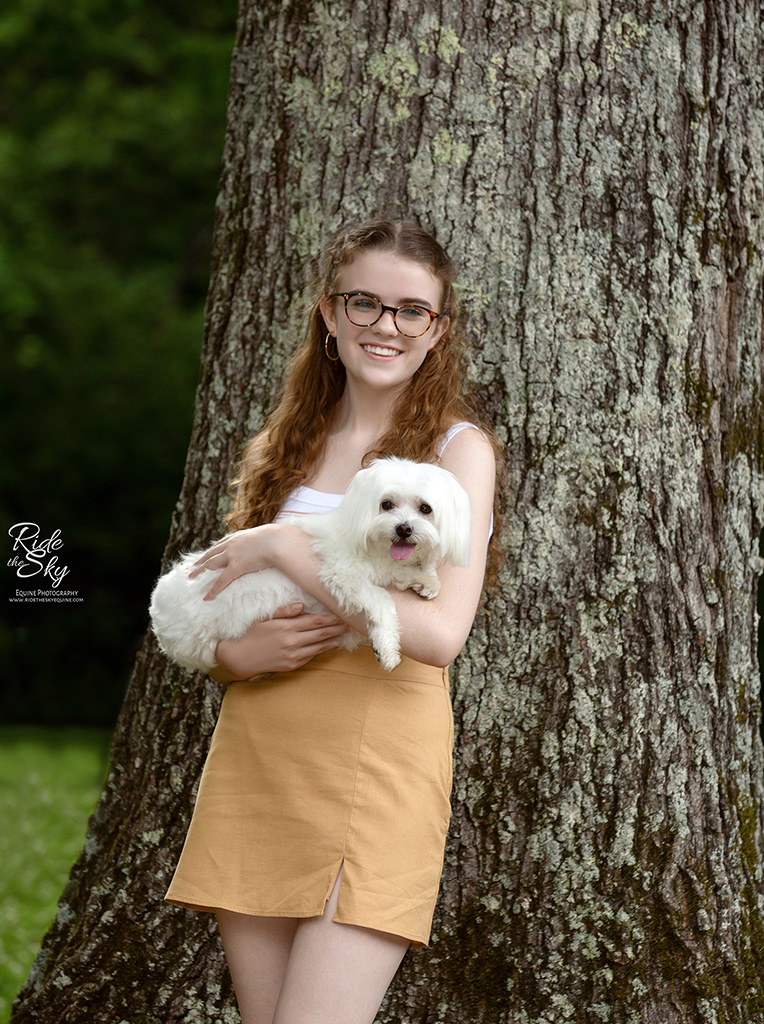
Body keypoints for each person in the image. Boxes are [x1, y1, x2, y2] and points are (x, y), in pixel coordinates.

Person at [164, 220, 499, 1024]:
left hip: (374, 760)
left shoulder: (458, 452)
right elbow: (222, 599)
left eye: (411, 311)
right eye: (366, 303)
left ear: (437, 330)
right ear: (329, 312)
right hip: (260, 753)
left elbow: (440, 636)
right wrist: (235, 658)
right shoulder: (289, 443)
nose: (386, 325)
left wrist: (282, 543)